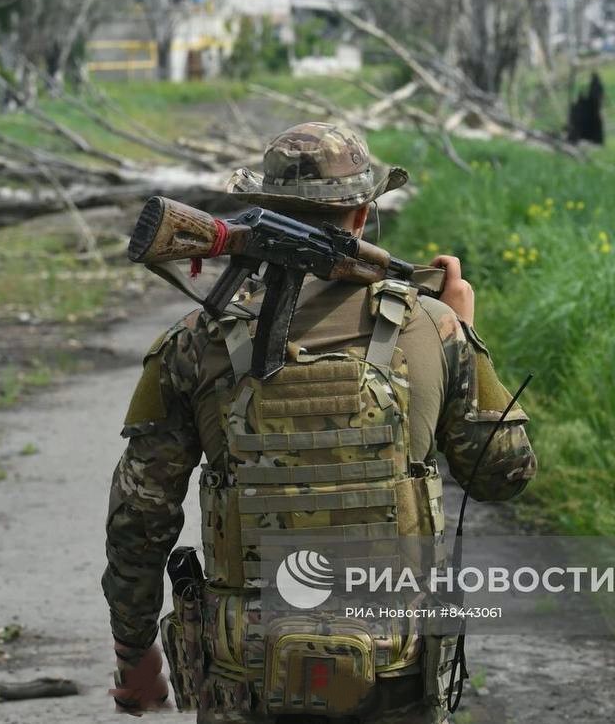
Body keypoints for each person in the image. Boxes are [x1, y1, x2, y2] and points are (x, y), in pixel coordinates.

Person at [103, 122, 536, 723]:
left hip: (243, 672)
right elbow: (505, 474)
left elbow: (139, 519)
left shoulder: (191, 343)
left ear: (262, 209)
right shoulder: (432, 329)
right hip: (395, 668)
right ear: (362, 213)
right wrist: (462, 330)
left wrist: (135, 654)